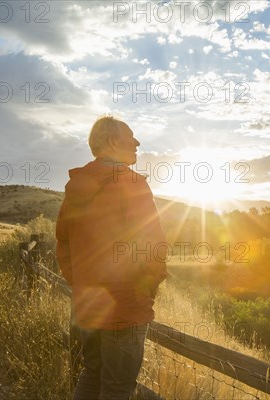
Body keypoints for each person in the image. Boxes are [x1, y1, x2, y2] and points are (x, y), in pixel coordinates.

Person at [55, 115, 168, 400]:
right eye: (130, 136)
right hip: (125, 306)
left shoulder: (76, 187)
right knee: (118, 388)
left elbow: (63, 245)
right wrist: (145, 290)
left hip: (87, 304)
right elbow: (154, 247)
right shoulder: (130, 183)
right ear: (110, 141)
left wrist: (82, 284)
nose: (137, 142)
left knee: (92, 374)